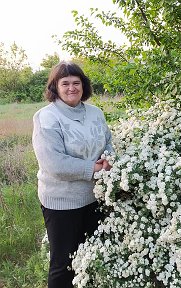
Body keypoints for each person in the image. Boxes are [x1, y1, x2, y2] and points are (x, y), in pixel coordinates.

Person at [32, 61, 113, 287]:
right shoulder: (46, 117)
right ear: (55, 87)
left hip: (95, 196)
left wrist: (108, 158)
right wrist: (93, 168)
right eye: (65, 83)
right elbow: (53, 164)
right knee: (63, 264)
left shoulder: (95, 113)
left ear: (83, 86)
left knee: (90, 257)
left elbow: (107, 141)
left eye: (76, 83)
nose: (71, 88)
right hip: (62, 202)